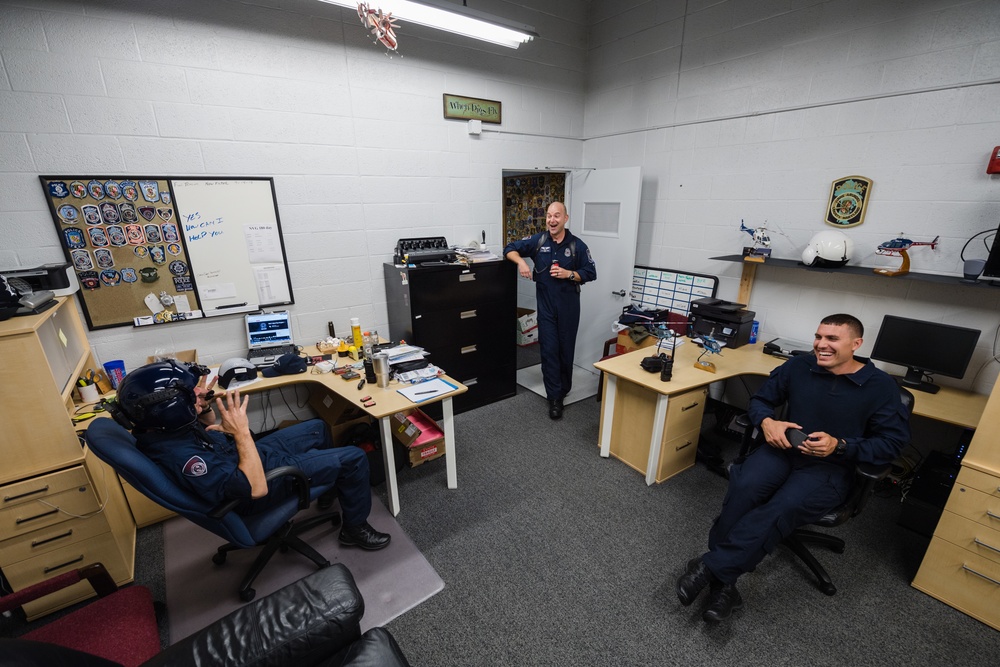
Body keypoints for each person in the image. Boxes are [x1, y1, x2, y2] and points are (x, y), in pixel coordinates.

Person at [676, 314, 909, 622]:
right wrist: (767, 421)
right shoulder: (800, 366)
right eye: (819, 336)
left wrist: (841, 445)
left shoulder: (880, 387)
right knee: (745, 487)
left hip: (830, 466)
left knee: (783, 506)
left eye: (832, 339)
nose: (821, 345)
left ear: (856, 344)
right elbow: (760, 400)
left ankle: (710, 567)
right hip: (782, 451)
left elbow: (892, 444)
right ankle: (726, 583)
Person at [112, 360, 390, 551]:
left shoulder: (162, 429)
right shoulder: (184, 459)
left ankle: (328, 485)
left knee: (317, 428)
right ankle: (354, 528)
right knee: (354, 457)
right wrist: (242, 432)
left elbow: (209, 429)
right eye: (192, 393)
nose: (199, 391)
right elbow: (254, 488)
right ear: (170, 407)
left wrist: (204, 406)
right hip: (256, 482)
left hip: (240, 458)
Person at [503, 201, 597, 419]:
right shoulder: (539, 241)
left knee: (565, 350)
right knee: (548, 350)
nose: (552, 220)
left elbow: (591, 272)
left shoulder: (577, 246)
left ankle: (564, 389)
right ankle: (554, 397)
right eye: (548, 216)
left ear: (566, 218)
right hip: (545, 309)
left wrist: (570, 274)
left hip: (569, 308)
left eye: (557, 216)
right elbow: (510, 249)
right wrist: (521, 263)